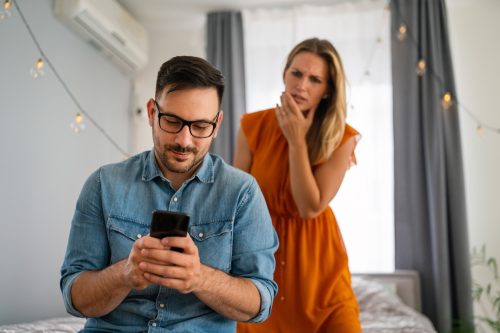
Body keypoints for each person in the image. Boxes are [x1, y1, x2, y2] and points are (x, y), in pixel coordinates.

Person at [60, 56, 279, 333]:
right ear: (152, 112)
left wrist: (200, 278)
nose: (184, 141)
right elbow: (74, 298)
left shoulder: (242, 193)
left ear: (217, 123)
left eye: (200, 126)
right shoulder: (103, 184)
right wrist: (125, 274)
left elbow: (260, 303)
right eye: (172, 121)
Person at [234, 38, 361, 333]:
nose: (302, 85)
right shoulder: (253, 127)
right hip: (263, 259)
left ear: (327, 90)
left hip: (320, 269)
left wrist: (296, 141)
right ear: (284, 74)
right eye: (296, 73)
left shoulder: (342, 138)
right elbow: (236, 202)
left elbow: (308, 207)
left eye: (315, 79)